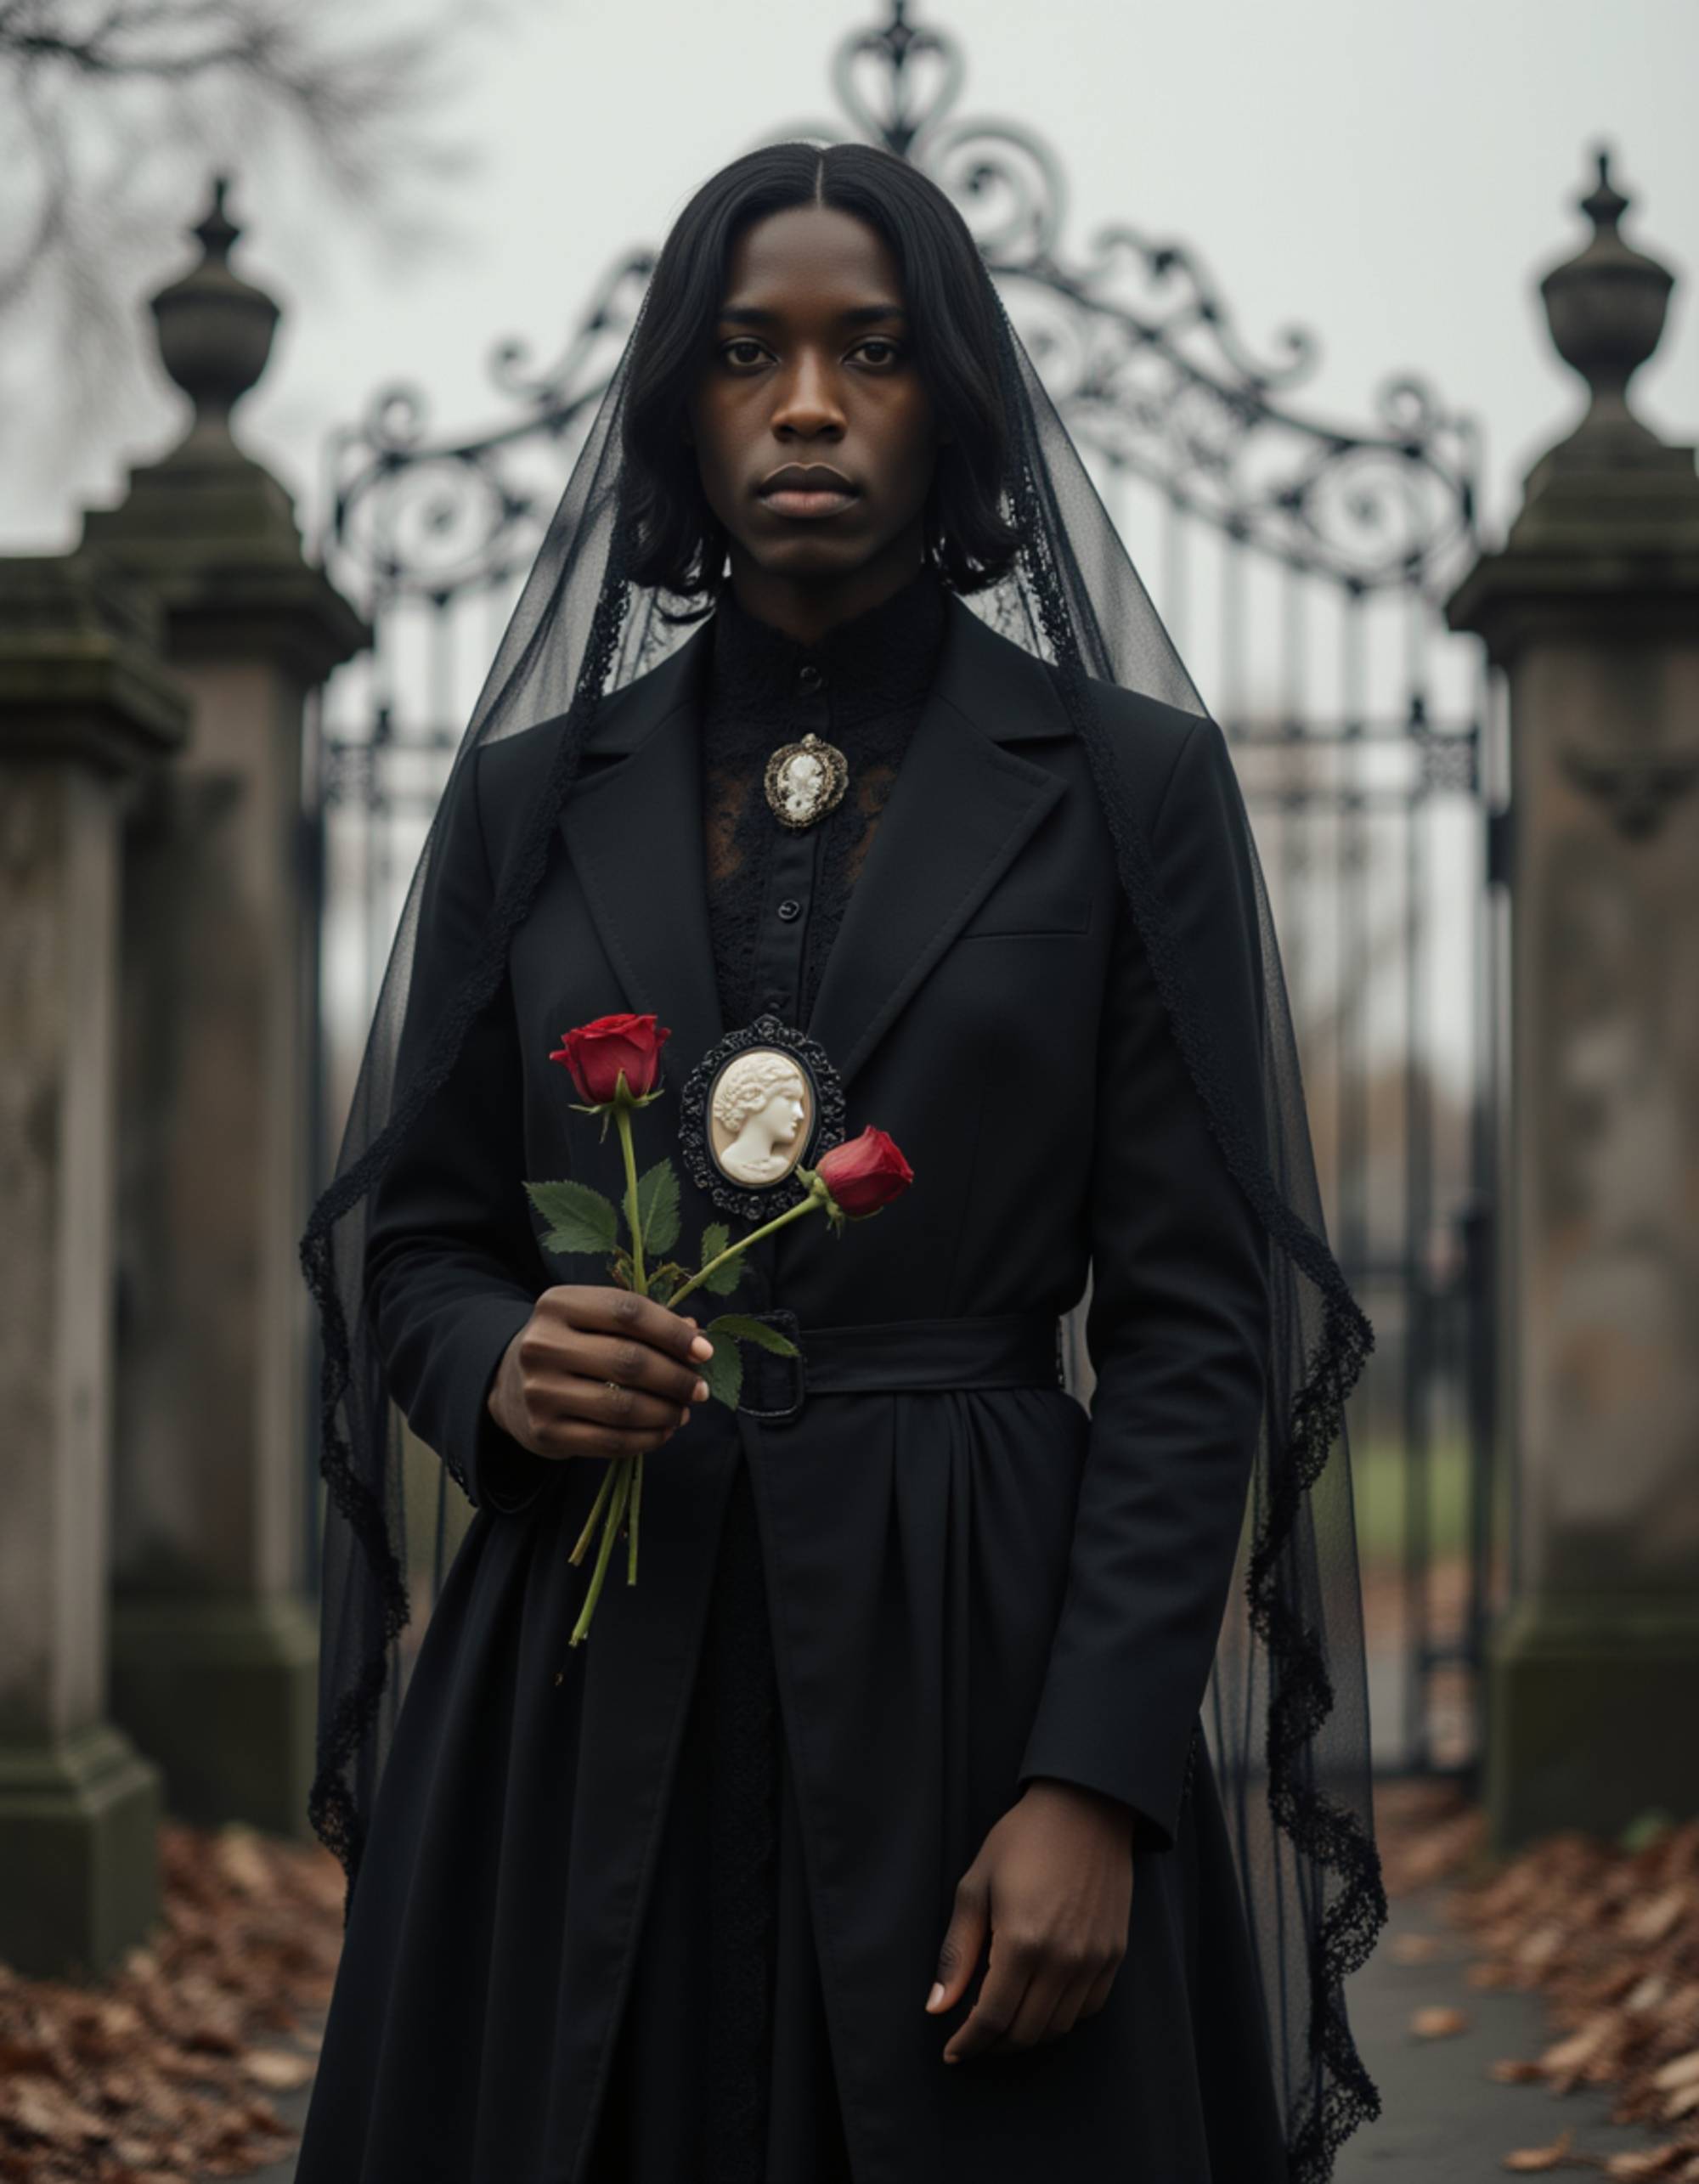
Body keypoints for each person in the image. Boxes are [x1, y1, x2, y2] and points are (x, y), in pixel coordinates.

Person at [297, 141, 1386, 2184]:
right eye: (747, 353)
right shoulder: (531, 798)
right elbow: (414, 1236)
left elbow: (1189, 1322)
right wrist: (500, 1370)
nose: (807, 399)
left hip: (977, 1656)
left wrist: (1099, 1777)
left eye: (868, 351)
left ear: (949, 397)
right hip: (581, 1676)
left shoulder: (1127, 784)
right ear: (678, 410)